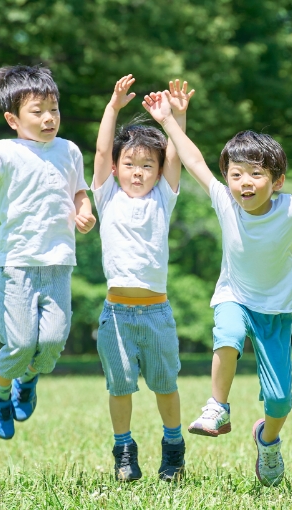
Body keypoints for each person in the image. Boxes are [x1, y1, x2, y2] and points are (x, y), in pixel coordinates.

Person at [142, 91, 292, 487]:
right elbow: (194, 161)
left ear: (277, 180)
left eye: (255, 175)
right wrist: (168, 120)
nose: (244, 183)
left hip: (275, 310)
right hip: (233, 295)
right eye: (236, 174)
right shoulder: (225, 201)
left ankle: (267, 441)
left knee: (280, 401)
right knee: (228, 335)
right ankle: (217, 406)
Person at [0, 65, 96, 440]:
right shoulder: (4, 151)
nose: (49, 118)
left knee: (53, 342)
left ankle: (27, 380)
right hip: (16, 266)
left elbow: (78, 189)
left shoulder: (69, 150)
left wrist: (84, 208)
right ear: (12, 118)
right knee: (22, 342)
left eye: (54, 109)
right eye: (37, 110)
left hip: (58, 262)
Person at [91, 75, 193, 482]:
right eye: (130, 165)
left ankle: (173, 447)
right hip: (116, 314)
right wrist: (112, 107)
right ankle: (124, 450)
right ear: (115, 169)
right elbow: (100, 149)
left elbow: (177, 157)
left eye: (147, 165)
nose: (138, 172)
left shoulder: (162, 199)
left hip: (156, 314)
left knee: (165, 385)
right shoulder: (107, 196)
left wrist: (177, 118)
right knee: (120, 388)